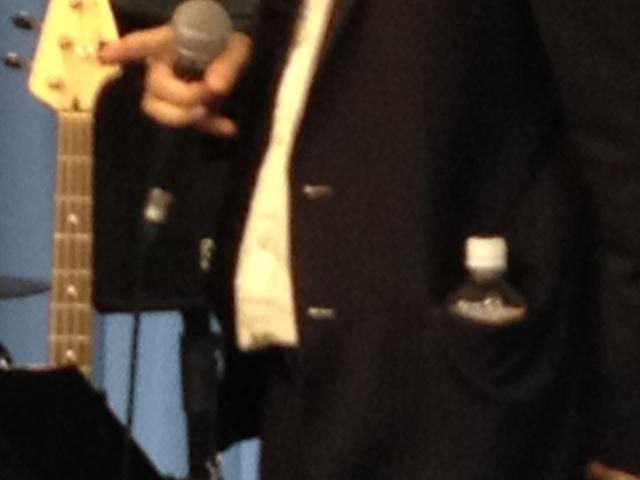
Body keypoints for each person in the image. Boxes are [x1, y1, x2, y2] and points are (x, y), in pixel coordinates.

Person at [99, 0, 640, 478]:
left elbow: (624, 149)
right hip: (303, 377)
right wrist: (238, 66)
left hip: (467, 398)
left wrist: (626, 436)